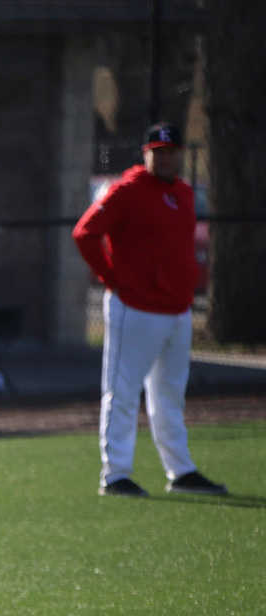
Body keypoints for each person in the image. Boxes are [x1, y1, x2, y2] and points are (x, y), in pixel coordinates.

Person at [73, 122, 226, 497]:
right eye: (158, 151)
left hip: (177, 309)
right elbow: (85, 233)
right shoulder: (128, 190)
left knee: (170, 395)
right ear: (146, 153)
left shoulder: (185, 193)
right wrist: (112, 278)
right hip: (136, 307)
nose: (166, 157)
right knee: (122, 392)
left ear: (181, 154)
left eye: (172, 151)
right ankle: (115, 475)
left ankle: (181, 471)